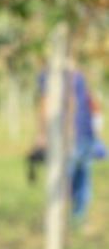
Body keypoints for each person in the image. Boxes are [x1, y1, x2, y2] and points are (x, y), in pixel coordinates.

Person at [35, 59, 104, 226]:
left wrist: (42, 135)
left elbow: (87, 101)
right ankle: (66, 220)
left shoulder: (67, 75)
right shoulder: (63, 75)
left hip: (77, 136)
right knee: (73, 179)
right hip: (75, 136)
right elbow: (46, 103)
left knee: (73, 179)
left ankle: (69, 220)